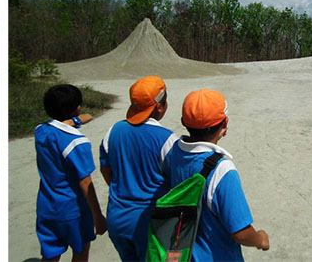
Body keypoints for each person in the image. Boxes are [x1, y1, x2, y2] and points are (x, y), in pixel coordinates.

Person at [162, 89, 270, 261]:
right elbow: (241, 233)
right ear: (224, 124)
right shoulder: (222, 170)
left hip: (185, 253)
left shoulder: (174, 151)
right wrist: (260, 239)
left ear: (184, 122)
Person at [98, 76, 178, 261]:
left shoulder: (113, 131)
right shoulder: (167, 139)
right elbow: (176, 181)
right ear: (160, 106)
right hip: (150, 222)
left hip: (117, 219)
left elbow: (106, 170)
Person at [34, 84, 107, 262]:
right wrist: (98, 216)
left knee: (50, 254)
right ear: (78, 107)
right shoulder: (77, 142)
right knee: (81, 249)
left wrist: (76, 120)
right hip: (73, 210)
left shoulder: (40, 131)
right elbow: (85, 182)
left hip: (47, 207)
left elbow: (76, 120)